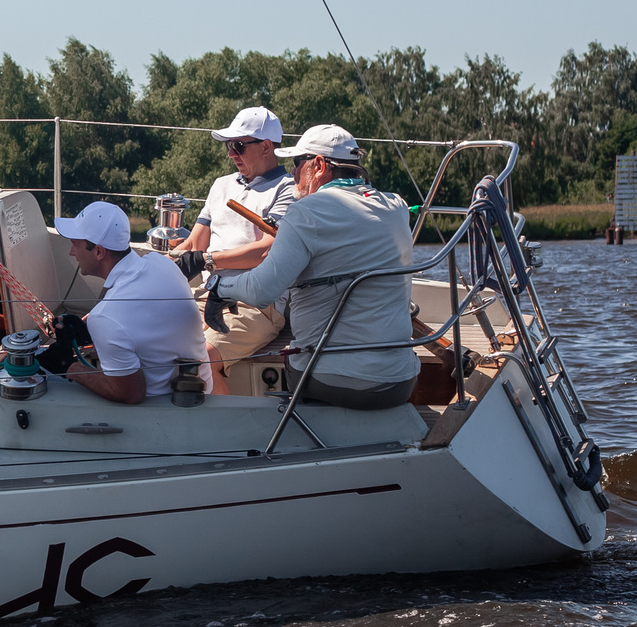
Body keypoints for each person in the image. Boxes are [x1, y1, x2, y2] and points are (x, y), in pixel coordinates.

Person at [212, 124, 419, 409]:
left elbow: (261, 290)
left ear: (319, 165)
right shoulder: (396, 206)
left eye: (298, 164)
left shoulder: (306, 213)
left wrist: (219, 286)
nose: (293, 173)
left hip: (333, 379)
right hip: (401, 380)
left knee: (289, 360)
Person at [171, 105, 297, 386]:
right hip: (207, 296)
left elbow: (268, 250)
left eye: (238, 145)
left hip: (256, 304)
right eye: (229, 146)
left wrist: (208, 261)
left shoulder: (288, 189)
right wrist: (157, 263)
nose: (231, 154)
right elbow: (195, 242)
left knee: (199, 361)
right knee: (155, 346)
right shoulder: (221, 185)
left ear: (266, 147)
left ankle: (223, 430)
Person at [42, 200, 211, 404]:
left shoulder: (106, 317)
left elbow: (130, 393)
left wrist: (69, 367)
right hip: (204, 397)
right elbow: (141, 324)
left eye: (75, 244)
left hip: (164, 416)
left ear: (98, 251)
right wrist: (87, 331)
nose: (71, 252)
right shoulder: (161, 264)